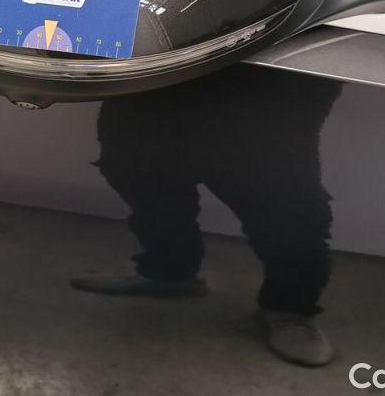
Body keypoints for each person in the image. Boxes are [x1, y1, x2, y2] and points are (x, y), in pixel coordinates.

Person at [72, 64, 341, 367]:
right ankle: (168, 272)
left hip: (273, 66)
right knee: (134, 161)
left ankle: (291, 308)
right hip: (161, 61)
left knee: (282, 196)